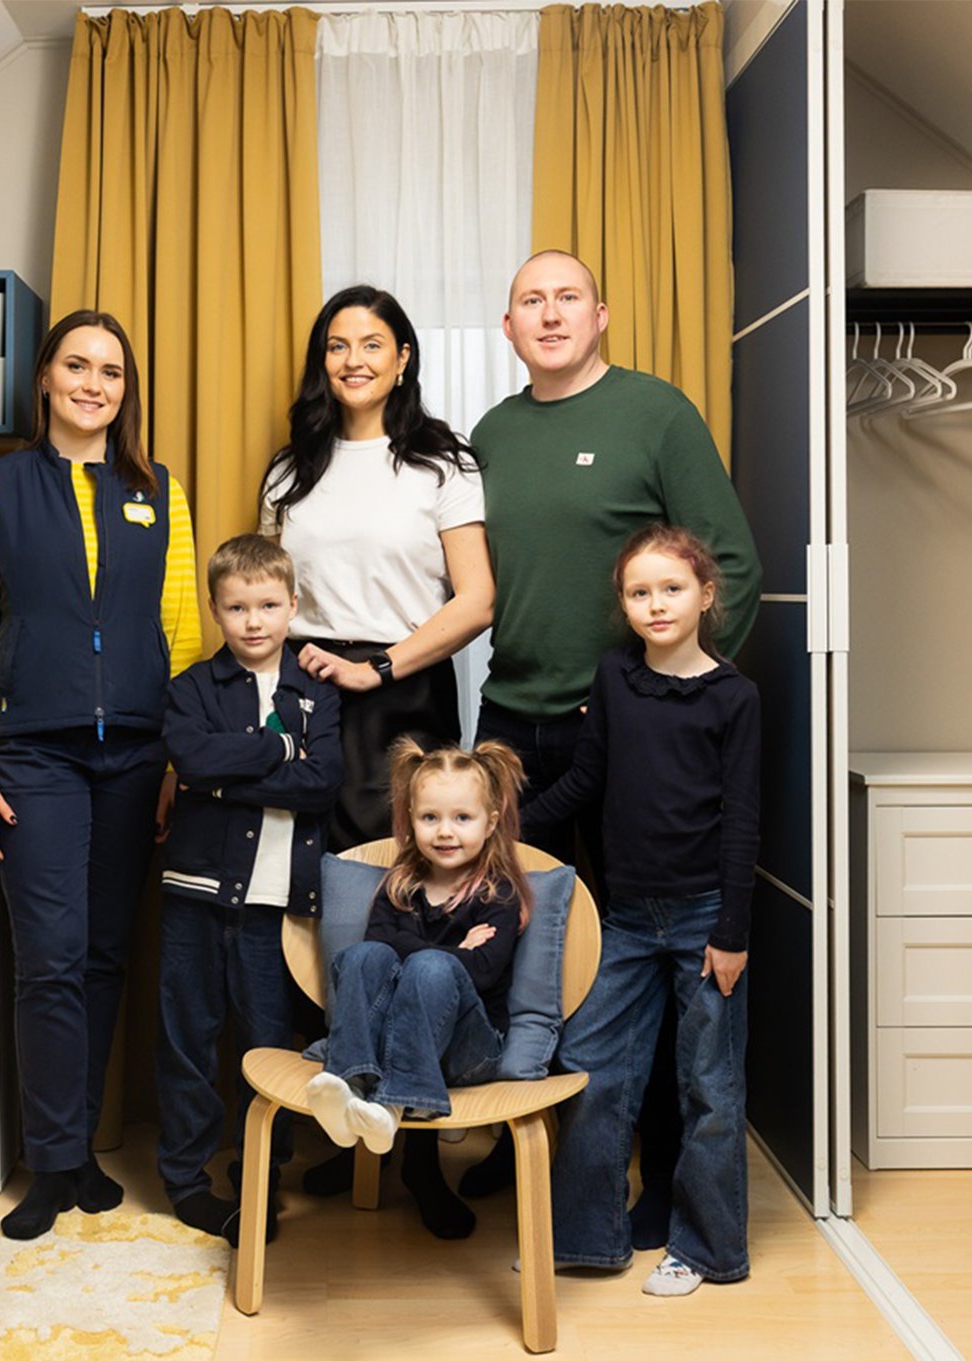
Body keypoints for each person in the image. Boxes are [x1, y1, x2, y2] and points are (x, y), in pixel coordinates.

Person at [463, 250, 761, 1233]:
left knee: (638, 952)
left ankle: (659, 1171)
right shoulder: (490, 434)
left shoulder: (655, 412)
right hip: (511, 719)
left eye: (564, 298)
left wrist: (672, 703)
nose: (547, 314)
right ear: (506, 328)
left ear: (600, 314)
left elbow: (729, 564)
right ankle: (529, 1151)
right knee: (513, 944)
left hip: (625, 731)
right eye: (527, 302)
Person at [0, 309, 201, 1241]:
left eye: (113, 372)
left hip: (136, 753)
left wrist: (182, 751)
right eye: (78, 366)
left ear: (126, 391)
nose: (96, 384)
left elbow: (185, 635)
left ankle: (84, 1146)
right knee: (48, 961)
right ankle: (50, 1164)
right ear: (45, 379)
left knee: (102, 958)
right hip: (34, 754)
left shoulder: (159, 491)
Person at [259, 284, 495, 1236]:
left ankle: (423, 1148)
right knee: (320, 910)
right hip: (310, 690)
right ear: (324, 362)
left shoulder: (444, 462)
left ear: (403, 357)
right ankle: (348, 1133)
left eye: (373, 343)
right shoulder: (290, 470)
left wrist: (380, 667)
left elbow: (475, 599)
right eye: (337, 345)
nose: (354, 358)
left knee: (421, 912)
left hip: (405, 692)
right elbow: (269, 596)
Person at [521, 525, 759, 1296]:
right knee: (591, 1068)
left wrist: (731, 934)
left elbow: (743, 821)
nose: (655, 603)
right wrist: (502, 827)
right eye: (638, 591)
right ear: (622, 603)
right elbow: (584, 782)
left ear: (706, 595)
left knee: (710, 1090)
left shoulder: (734, 697)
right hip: (625, 916)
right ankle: (588, 1237)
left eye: (671, 588)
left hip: (704, 920)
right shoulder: (617, 678)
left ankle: (706, 1249)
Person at [157, 535, 343, 1245]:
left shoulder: (316, 690)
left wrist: (224, 773)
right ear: (216, 609)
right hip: (196, 895)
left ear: (293, 605)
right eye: (237, 607)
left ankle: (261, 1177)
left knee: (268, 1045)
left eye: (268, 605)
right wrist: (278, 750)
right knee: (188, 1038)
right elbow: (192, 758)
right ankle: (183, 1176)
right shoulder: (191, 689)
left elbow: (322, 784)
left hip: (278, 904)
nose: (254, 621)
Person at [304, 739, 532, 1157]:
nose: (445, 831)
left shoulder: (497, 894)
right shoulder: (399, 887)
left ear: (491, 821)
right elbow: (378, 951)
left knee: (429, 966)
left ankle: (393, 1104)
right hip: (388, 1044)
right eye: (430, 817)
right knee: (361, 957)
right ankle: (350, 1087)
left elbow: (482, 971)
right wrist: (455, 949)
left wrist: (424, 953)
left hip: (468, 1052)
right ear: (411, 820)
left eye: (462, 817)